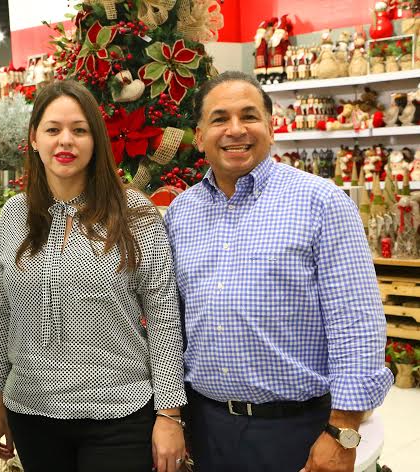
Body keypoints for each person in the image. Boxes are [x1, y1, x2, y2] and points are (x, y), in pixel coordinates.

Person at [163, 71, 393, 472]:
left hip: (298, 430)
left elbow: (356, 324)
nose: (236, 130)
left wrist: (342, 431)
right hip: (206, 427)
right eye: (219, 119)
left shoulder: (321, 203)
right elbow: (172, 321)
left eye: (249, 116)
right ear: (199, 136)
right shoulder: (181, 213)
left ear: (271, 128)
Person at [0, 80, 188, 472]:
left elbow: (163, 316)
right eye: (53, 129)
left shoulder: (134, 213)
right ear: (34, 138)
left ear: (96, 140)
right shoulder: (14, 215)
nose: (66, 141)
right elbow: (2, 316)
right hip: (31, 414)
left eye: (79, 130)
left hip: (119, 415)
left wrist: (169, 415)